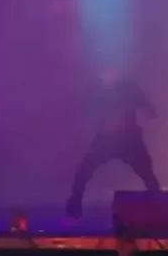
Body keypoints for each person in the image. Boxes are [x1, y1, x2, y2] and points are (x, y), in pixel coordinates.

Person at [66, 68, 160, 220]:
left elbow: (148, 108)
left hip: (120, 138)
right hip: (119, 138)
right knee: (146, 173)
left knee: (86, 168)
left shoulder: (120, 88)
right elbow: (148, 109)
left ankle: (158, 203)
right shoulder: (119, 88)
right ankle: (158, 203)